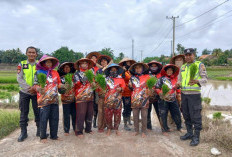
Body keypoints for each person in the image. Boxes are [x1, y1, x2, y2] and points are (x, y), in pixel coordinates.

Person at [177, 48, 207, 146]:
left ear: (194, 55)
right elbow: (179, 79)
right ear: (184, 56)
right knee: (186, 114)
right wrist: (178, 84)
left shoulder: (199, 65)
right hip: (184, 94)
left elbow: (205, 79)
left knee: (196, 116)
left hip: (194, 95)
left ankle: (196, 137)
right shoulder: (183, 67)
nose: (188, 57)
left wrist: (197, 81)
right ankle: (189, 133)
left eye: (190, 55)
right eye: (186, 55)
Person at [33, 55, 63, 143]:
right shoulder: (38, 72)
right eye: (47, 62)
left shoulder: (55, 72)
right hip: (43, 100)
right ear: (43, 63)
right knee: (43, 118)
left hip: (54, 99)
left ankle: (54, 135)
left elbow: (59, 84)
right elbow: (35, 85)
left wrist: (64, 86)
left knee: (54, 117)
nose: (49, 63)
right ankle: (43, 137)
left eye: (50, 62)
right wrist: (38, 89)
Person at [17, 46, 40, 142]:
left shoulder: (39, 64)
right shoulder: (21, 64)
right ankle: (23, 132)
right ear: (26, 53)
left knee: (38, 112)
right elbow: (19, 78)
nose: (31, 54)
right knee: (24, 113)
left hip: (36, 92)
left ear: (36, 54)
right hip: (24, 92)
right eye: (29, 52)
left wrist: (35, 88)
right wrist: (28, 88)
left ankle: (40, 131)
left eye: (33, 52)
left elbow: (43, 77)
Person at [155, 64, 182, 136]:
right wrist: (161, 93)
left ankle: (179, 127)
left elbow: (178, 88)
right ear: (165, 71)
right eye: (168, 70)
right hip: (163, 100)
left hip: (173, 99)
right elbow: (157, 88)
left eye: (171, 70)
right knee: (163, 114)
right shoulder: (161, 79)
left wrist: (179, 94)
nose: (170, 71)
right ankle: (164, 129)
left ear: (173, 71)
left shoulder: (175, 79)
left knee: (177, 113)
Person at [73, 58, 95, 138]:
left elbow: (94, 83)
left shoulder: (91, 73)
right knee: (81, 114)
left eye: (86, 63)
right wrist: (82, 80)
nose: (84, 65)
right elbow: (75, 84)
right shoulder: (77, 74)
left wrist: (94, 84)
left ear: (88, 65)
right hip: (81, 97)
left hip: (90, 96)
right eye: (83, 63)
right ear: (80, 65)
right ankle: (79, 131)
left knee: (90, 113)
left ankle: (88, 129)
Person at [128, 63, 150, 138]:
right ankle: (136, 130)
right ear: (134, 70)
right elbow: (130, 88)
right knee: (135, 116)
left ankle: (144, 131)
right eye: (136, 68)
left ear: (143, 69)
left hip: (144, 99)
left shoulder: (147, 77)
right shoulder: (132, 78)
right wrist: (130, 86)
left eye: (139, 68)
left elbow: (151, 87)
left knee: (144, 116)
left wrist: (150, 90)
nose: (138, 69)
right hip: (135, 99)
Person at [104, 63, 126, 136]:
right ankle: (109, 128)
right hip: (108, 100)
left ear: (117, 70)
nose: (113, 71)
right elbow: (102, 88)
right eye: (111, 69)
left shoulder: (121, 79)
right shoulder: (106, 79)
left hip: (118, 100)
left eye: (115, 69)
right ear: (109, 71)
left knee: (118, 114)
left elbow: (124, 87)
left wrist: (121, 88)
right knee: (108, 115)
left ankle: (116, 128)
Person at [58, 62, 76, 136]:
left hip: (74, 99)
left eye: (68, 67)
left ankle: (75, 128)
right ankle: (66, 130)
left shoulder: (74, 76)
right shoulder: (61, 78)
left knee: (74, 114)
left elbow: (77, 86)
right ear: (62, 69)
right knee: (66, 115)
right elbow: (59, 90)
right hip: (65, 99)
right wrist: (65, 88)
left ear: (70, 68)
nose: (66, 68)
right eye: (65, 67)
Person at [95, 55, 112, 132]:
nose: (103, 62)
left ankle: (108, 126)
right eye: (102, 61)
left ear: (107, 62)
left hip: (109, 93)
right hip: (101, 93)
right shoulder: (98, 71)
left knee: (108, 110)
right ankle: (100, 127)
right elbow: (96, 82)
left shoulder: (110, 70)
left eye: (105, 61)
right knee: (100, 110)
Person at [118, 58, 136, 131]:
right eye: (127, 63)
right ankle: (125, 124)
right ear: (124, 64)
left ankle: (128, 120)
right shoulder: (122, 72)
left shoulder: (130, 71)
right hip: (125, 93)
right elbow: (123, 79)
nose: (128, 64)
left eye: (129, 63)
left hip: (131, 92)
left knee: (130, 107)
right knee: (126, 108)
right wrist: (123, 71)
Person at [86, 52, 101, 128]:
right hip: (90, 88)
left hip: (97, 88)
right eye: (92, 59)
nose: (94, 60)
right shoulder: (88, 69)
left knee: (96, 104)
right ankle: (90, 120)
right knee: (90, 104)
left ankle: (95, 120)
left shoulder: (99, 68)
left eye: (95, 59)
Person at [146, 60, 163, 131]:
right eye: (152, 66)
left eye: (155, 66)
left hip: (158, 96)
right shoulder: (147, 75)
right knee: (148, 112)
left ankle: (163, 126)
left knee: (159, 112)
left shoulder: (161, 75)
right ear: (149, 67)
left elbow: (163, 85)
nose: (153, 67)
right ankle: (149, 127)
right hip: (148, 97)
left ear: (157, 67)